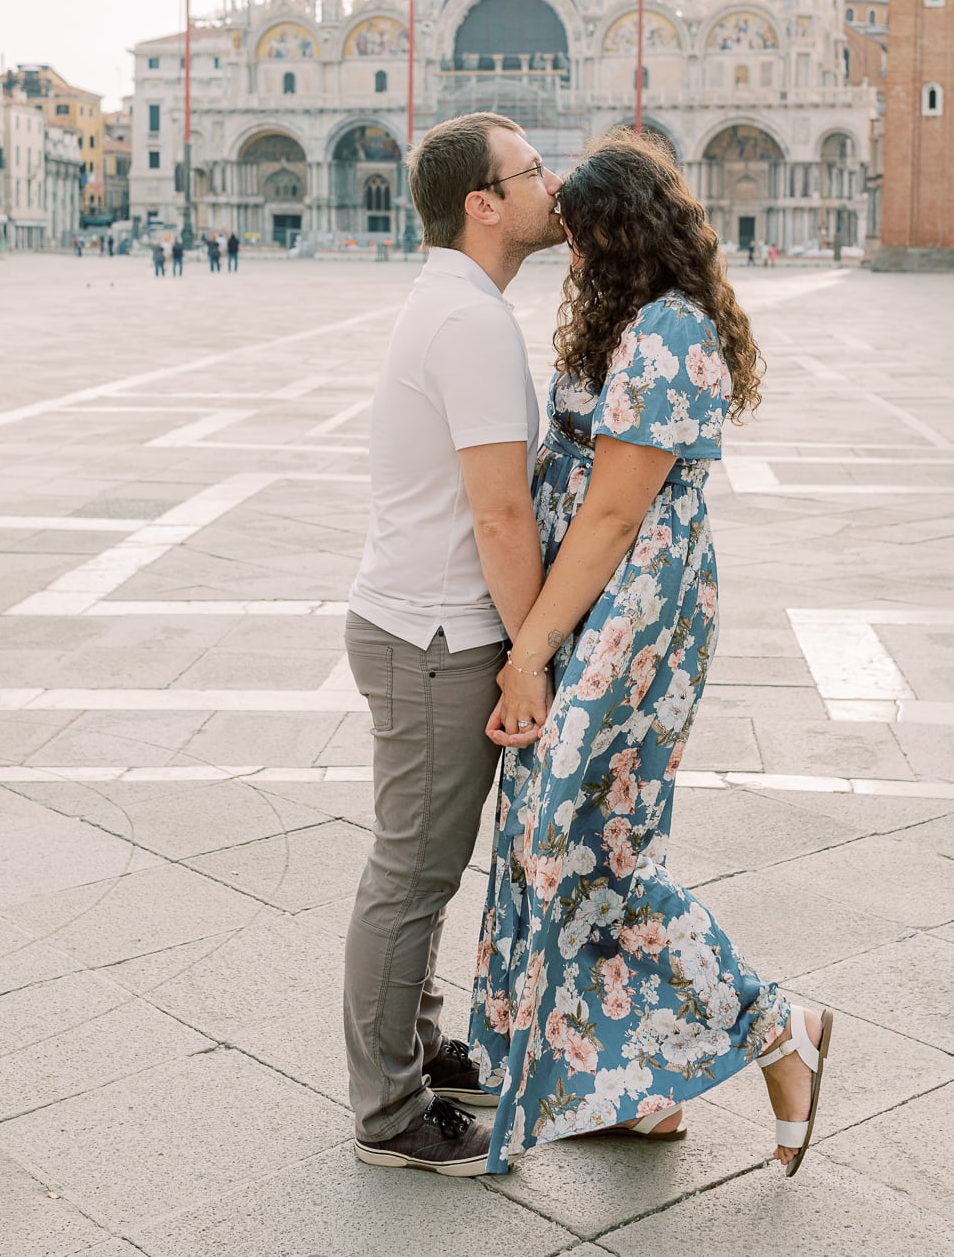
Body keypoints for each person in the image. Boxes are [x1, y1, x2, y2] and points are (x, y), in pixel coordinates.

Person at [468, 131, 832, 1178]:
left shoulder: (670, 330)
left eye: (585, 239)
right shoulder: (630, 317)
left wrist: (532, 648)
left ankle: (775, 1026)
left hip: (627, 611)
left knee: (597, 854)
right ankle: (645, 1090)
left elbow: (618, 512)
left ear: (626, 235)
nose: (573, 258)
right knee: (563, 840)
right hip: (590, 606)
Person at [344, 112, 564, 1178]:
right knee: (412, 874)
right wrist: (533, 653)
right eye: (531, 171)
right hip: (435, 631)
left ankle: (422, 1053)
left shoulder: (460, 302)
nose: (550, 182)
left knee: (425, 865)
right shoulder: (470, 322)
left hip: (422, 622)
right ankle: (389, 1113)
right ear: (484, 204)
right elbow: (500, 516)